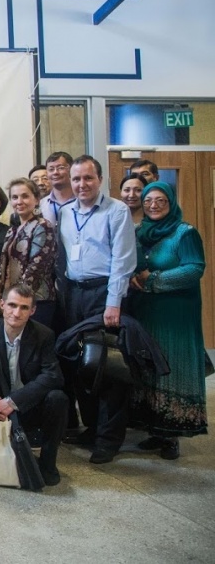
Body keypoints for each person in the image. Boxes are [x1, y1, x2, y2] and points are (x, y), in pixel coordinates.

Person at [57, 155, 136, 464]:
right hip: (74, 293)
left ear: (100, 179)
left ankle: (109, 439)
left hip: (104, 293)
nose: (82, 184)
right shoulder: (66, 212)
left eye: (88, 178)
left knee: (108, 365)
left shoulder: (117, 211)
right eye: (76, 179)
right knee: (81, 362)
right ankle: (92, 427)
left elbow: (123, 260)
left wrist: (113, 302)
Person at [128, 182, 208, 460]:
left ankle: (172, 435)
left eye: (161, 200)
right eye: (148, 200)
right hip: (145, 312)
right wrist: (133, 277)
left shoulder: (185, 233)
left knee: (172, 366)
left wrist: (154, 280)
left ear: (171, 202)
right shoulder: (139, 232)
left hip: (176, 314)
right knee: (149, 367)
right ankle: (155, 429)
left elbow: (194, 269)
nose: (153, 205)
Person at [0, 284, 67, 486]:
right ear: (2, 304)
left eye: (24, 307)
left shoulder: (44, 335)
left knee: (58, 399)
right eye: (12, 305)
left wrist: (12, 402)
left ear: (33, 310)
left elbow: (53, 376)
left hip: (26, 405)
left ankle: (48, 464)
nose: (17, 313)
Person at [0, 179, 57, 328]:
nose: (19, 201)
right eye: (15, 197)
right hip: (13, 300)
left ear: (36, 199)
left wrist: (18, 298)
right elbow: (4, 266)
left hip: (35, 301)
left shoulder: (42, 226)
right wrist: (0, 296)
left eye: (25, 196)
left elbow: (36, 267)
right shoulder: (13, 230)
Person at [40, 151, 75, 226]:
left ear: (71, 170)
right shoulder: (41, 205)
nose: (55, 172)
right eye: (51, 169)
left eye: (60, 168)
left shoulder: (81, 201)